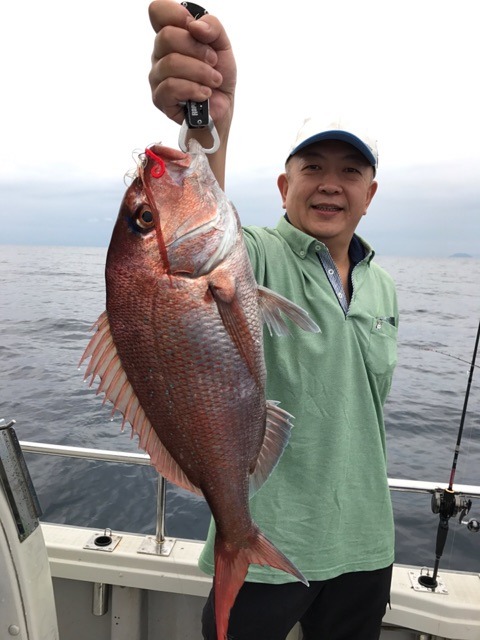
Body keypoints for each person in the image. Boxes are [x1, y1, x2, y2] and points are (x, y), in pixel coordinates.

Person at [148, 2, 398, 638]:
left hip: (368, 545)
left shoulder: (383, 285)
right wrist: (209, 121)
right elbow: (196, 223)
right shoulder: (251, 254)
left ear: (370, 194)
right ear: (284, 187)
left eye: (350, 171)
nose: (330, 184)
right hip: (267, 543)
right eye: (312, 168)